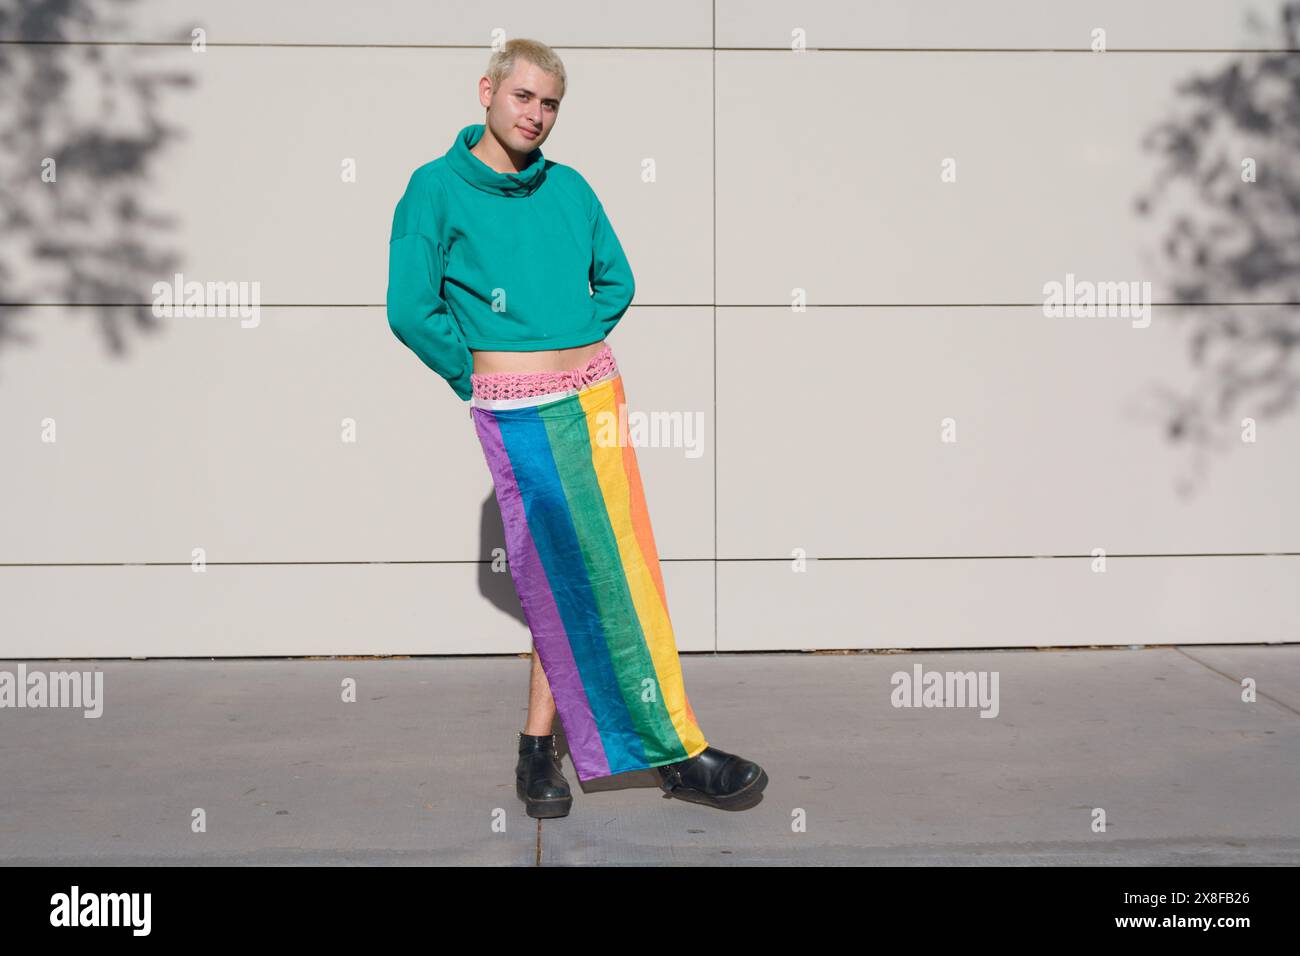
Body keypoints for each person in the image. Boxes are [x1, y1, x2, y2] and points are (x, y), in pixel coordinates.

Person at [385, 38, 767, 817]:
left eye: (550, 104)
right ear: (487, 91)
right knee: (564, 573)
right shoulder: (434, 189)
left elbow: (616, 279)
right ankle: (648, 752)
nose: (536, 114)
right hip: (518, 408)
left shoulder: (570, 187)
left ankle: (568, 748)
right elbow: (409, 308)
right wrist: (476, 374)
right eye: (523, 96)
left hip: (593, 395)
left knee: (616, 568)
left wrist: (575, 341)